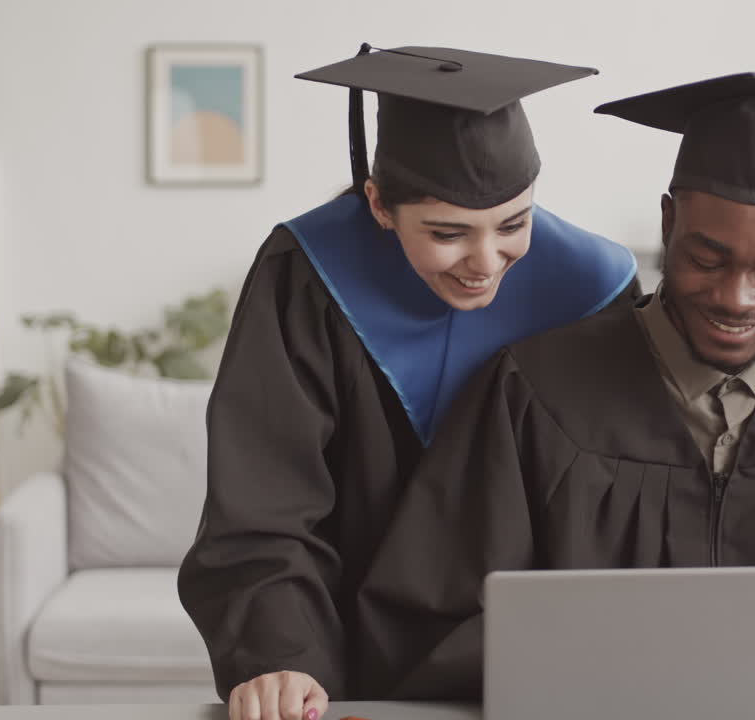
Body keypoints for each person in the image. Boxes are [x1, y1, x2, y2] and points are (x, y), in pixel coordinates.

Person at [357, 72, 755, 703]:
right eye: (706, 260)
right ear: (668, 224)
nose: (736, 298)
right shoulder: (535, 393)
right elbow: (424, 620)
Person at [177, 44, 639, 720]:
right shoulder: (306, 275)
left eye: (514, 223)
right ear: (379, 204)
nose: (485, 262)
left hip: (542, 670)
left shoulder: (595, 289)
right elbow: (263, 501)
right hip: (344, 665)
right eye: (448, 232)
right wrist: (282, 656)